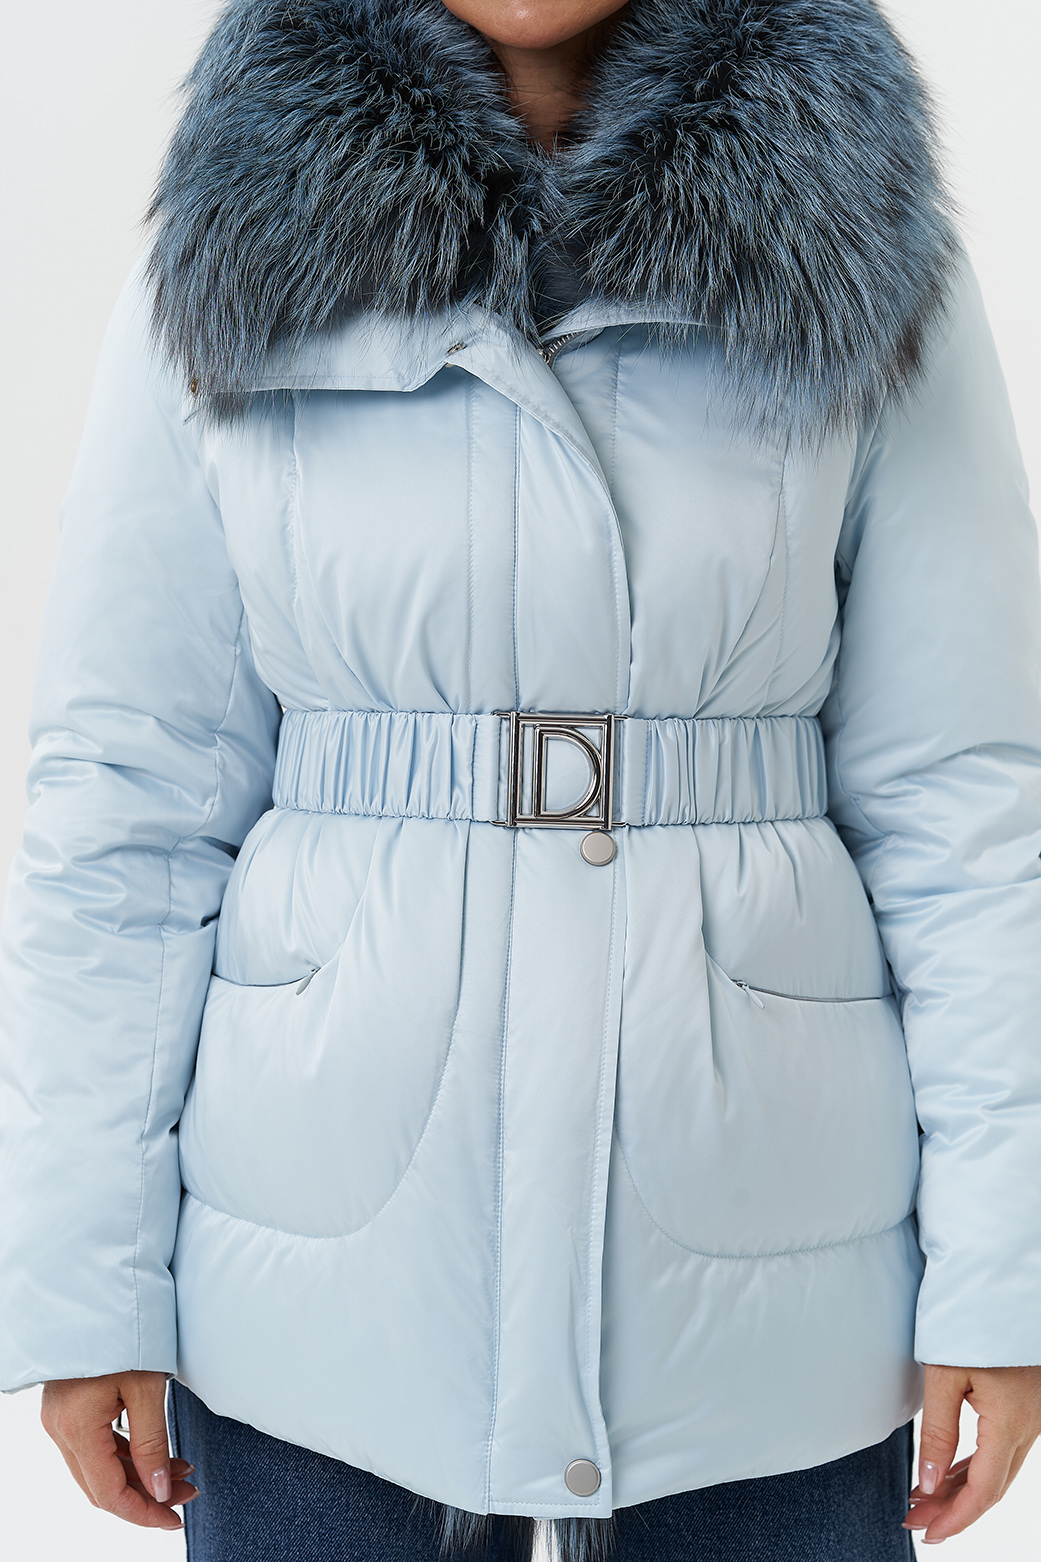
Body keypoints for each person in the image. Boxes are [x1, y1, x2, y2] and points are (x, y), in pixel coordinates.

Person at [2, 0, 1040, 1557]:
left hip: (772, 1295)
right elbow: (124, 813)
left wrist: (1004, 1271)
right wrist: (84, 1282)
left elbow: (964, 809)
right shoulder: (231, 242)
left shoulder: (863, 243)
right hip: (315, 1294)